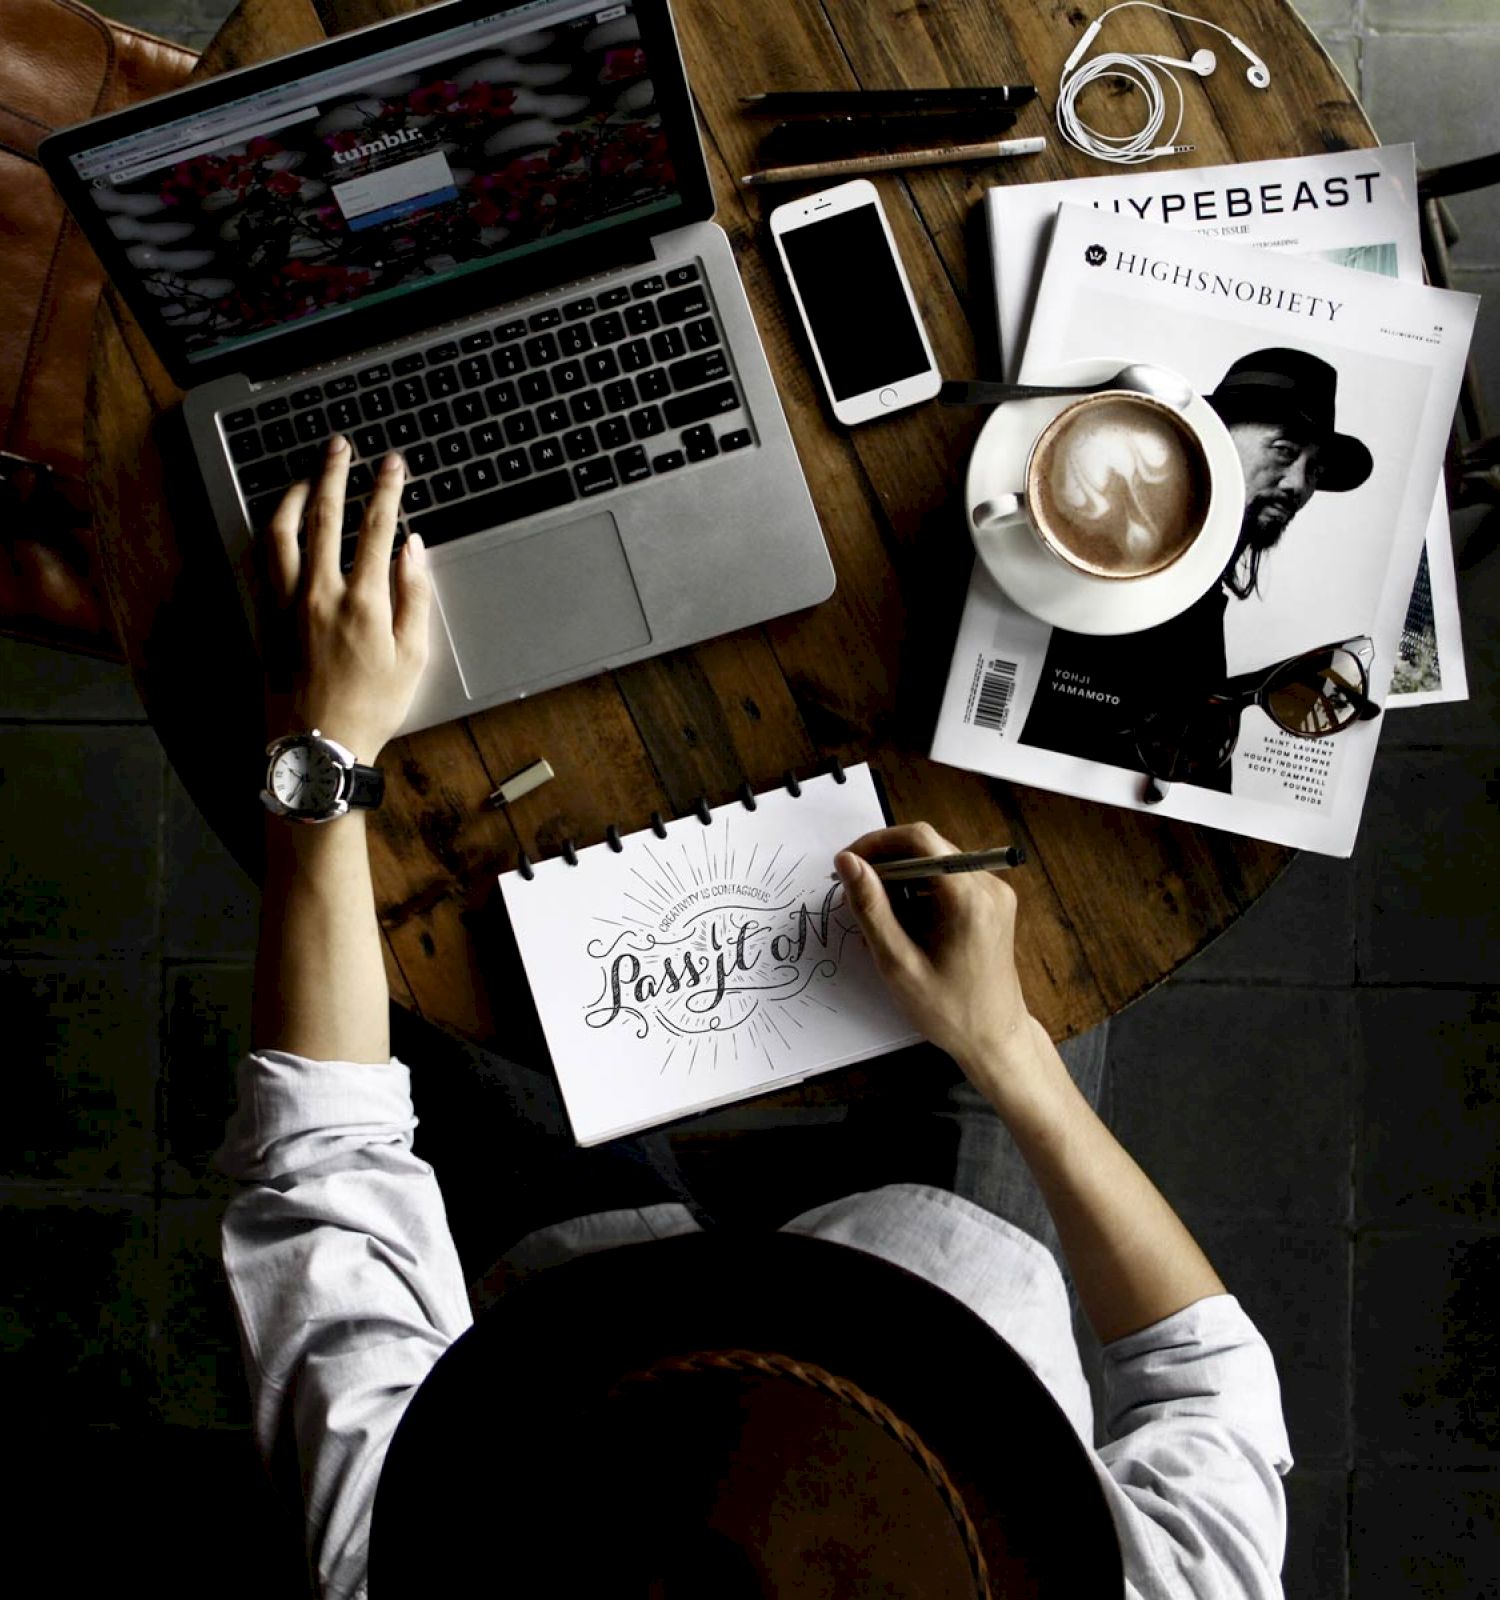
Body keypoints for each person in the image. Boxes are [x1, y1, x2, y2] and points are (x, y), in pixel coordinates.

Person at [215, 436, 1293, 1598]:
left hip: (575, 1303)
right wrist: (1006, 1047)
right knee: (1030, 849)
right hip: (957, 1264)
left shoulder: (414, 1555)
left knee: (440, 934)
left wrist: (320, 755)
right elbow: (1204, 1378)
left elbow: (322, 1162)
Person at [1017, 346, 1374, 790]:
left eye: (1315, 469)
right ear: (1216, 437)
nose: (1299, 485)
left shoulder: (1203, 596)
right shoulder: (1131, 565)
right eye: (1283, 450)